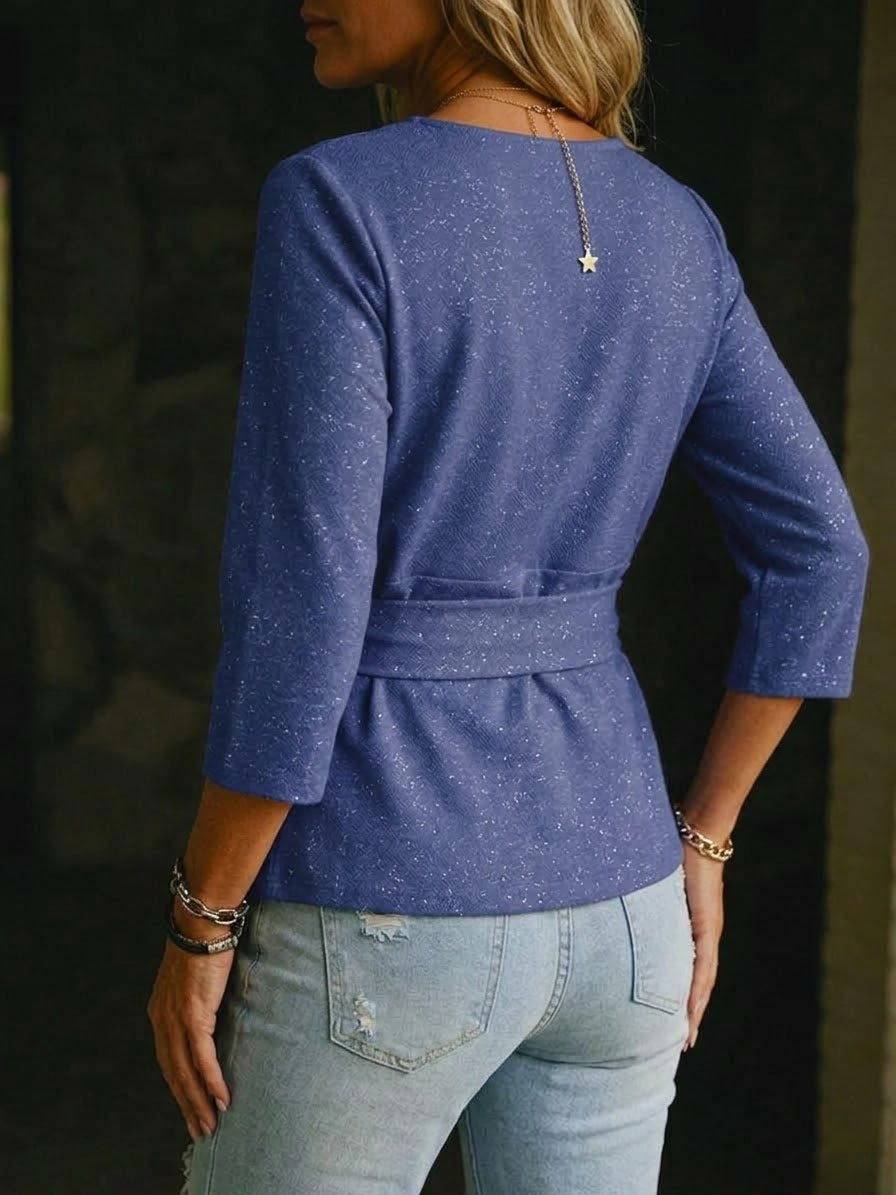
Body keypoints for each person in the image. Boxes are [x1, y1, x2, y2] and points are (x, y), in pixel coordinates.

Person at [147, 1, 869, 1192]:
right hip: (624, 902)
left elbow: (304, 602)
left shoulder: (336, 199)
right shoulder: (677, 225)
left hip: (386, 883)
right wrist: (704, 836)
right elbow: (821, 552)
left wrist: (202, 913)